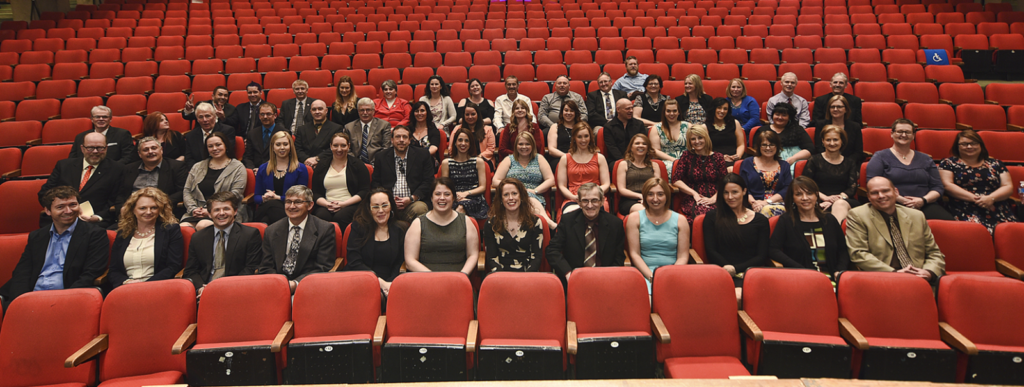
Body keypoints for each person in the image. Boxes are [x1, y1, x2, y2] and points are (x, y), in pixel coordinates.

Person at [0, 187, 108, 309]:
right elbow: (22, 272)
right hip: (32, 295)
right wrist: (20, 301)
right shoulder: (37, 236)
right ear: (48, 211)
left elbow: (91, 273)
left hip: (68, 297)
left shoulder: (94, 234)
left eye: (73, 205)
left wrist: (64, 299)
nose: (68, 211)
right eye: (60, 207)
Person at [845, 177, 946, 280]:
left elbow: (934, 253)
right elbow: (858, 254)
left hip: (921, 278)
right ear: (869, 197)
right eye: (874, 193)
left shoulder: (916, 216)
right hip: (883, 279)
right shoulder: (858, 215)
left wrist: (928, 272)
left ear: (896, 192)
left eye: (885, 191)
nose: (881, 196)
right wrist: (894, 273)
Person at [866, 119, 954, 220]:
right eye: (899, 131)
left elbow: (937, 187)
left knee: (947, 224)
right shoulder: (880, 157)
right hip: (892, 203)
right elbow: (872, 185)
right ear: (892, 134)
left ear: (913, 135)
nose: (903, 135)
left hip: (925, 203)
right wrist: (903, 200)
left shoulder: (925, 159)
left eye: (907, 132)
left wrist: (922, 200)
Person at [181, 192, 263, 297]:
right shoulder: (198, 238)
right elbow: (191, 270)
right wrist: (201, 288)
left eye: (226, 209)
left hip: (235, 290)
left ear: (235, 211)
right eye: (216, 210)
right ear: (209, 214)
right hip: (204, 290)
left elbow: (251, 268)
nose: (221, 213)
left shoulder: (250, 235)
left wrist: (222, 288)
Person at [257, 186, 336, 293]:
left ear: (310, 205)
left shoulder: (324, 229)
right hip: (276, 286)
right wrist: (279, 283)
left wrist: (296, 283)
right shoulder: (271, 230)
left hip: (309, 286)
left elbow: (323, 266)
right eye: (288, 202)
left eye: (298, 202)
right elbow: (266, 266)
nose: (292, 206)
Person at [768, 177, 850, 279]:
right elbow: (773, 250)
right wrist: (799, 269)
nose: (805, 198)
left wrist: (839, 271)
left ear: (816, 195)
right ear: (792, 198)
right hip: (800, 279)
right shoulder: (786, 220)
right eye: (798, 194)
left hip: (831, 278)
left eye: (809, 193)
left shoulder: (829, 220)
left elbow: (843, 250)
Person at [939, 129, 1018, 233]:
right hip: (964, 207)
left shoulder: (996, 163)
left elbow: (1007, 186)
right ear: (957, 146)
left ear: (980, 145)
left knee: (1012, 233)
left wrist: (991, 198)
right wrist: (978, 200)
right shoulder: (948, 163)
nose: (969, 147)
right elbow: (947, 185)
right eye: (964, 144)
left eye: (973, 143)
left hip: (996, 206)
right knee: (979, 233)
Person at [545, 182, 626, 282]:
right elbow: (552, 250)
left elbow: (619, 258)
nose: (590, 205)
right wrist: (567, 273)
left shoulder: (615, 224)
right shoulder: (568, 221)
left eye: (594, 200)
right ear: (578, 202)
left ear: (601, 201)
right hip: (574, 278)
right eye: (585, 201)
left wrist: (608, 277)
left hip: (605, 279)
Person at [40, 132, 124, 228]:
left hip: (93, 222)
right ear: (82, 148)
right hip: (60, 219)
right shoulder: (64, 166)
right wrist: (58, 210)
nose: (95, 151)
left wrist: (98, 217)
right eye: (90, 148)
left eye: (100, 148)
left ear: (106, 149)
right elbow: (45, 193)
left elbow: (116, 200)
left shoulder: (117, 169)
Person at [108, 188, 184, 288]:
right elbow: (114, 269)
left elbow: (173, 266)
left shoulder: (170, 230)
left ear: (160, 209)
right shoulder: (123, 233)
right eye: (142, 208)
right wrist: (125, 282)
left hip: (157, 287)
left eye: (153, 208)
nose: (148, 212)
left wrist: (144, 285)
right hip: (125, 288)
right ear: (133, 210)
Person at [703, 173, 771, 286]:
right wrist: (729, 269)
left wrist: (736, 269)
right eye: (726, 192)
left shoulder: (760, 220)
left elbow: (761, 256)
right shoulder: (712, 217)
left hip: (751, 273)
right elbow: (711, 251)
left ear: (744, 191)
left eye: (734, 192)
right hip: (721, 272)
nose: (730, 197)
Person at [626, 178, 690, 294]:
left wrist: (669, 276)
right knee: (647, 301)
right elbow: (635, 254)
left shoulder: (681, 220)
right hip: (645, 273)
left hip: (674, 273)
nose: (655, 199)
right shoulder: (634, 218)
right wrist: (652, 277)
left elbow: (683, 257)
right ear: (644, 196)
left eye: (660, 194)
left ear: (667, 196)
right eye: (650, 194)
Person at [404, 177, 479, 274]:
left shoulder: (466, 221)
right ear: (431, 198)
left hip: (458, 281)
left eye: (447, 194)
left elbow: (473, 255)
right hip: (426, 280)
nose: (442, 198)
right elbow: (410, 261)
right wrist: (435, 278)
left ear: (453, 197)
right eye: (437, 194)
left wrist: (463, 275)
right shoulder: (418, 223)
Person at [344, 188, 404, 299]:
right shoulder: (358, 227)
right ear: (369, 209)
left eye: (385, 205)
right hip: (360, 278)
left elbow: (399, 262)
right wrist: (379, 282)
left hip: (390, 282)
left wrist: (390, 284)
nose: (380, 210)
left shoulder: (400, 229)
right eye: (375, 207)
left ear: (391, 207)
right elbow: (354, 261)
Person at [181, 132, 247, 230]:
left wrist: (210, 211)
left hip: (223, 213)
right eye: (210, 146)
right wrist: (193, 209)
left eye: (218, 145)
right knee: (181, 228)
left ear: (226, 146)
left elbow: (235, 194)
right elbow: (187, 191)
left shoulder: (238, 167)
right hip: (196, 213)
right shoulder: (198, 166)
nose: (215, 149)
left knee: (202, 225)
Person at [493, 131, 557, 228]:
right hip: (512, 197)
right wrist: (514, 188)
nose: (524, 147)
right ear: (516, 146)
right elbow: (495, 181)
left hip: (534, 195)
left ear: (532, 145)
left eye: (527, 144)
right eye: (521, 144)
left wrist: (535, 191)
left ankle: (546, 223)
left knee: (528, 196)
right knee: (522, 195)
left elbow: (550, 180)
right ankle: (549, 223)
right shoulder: (509, 160)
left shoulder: (539, 158)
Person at [114, 136, 187, 219]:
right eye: (145, 150)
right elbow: (120, 194)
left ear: (161, 150)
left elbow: (182, 191)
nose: (150, 152)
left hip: (162, 213)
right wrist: (122, 208)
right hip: (132, 215)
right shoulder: (129, 169)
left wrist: (160, 204)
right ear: (139, 154)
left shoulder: (176, 167)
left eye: (154, 148)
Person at [372, 125, 433, 223]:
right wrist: (389, 200)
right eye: (397, 137)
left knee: (420, 209)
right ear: (392, 140)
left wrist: (411, 198)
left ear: (409, 140)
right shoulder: (381, 157)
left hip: (413, 203)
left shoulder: (422, 155)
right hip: (388, 204)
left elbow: (428, 181)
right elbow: (376, 183)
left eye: (404, 137)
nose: (401, 140)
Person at [484, 178, 545, 274]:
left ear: (521, 196)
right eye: (506, 195)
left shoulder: (535, 222)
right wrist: (503, 279)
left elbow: (536, 257)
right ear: (500, 199)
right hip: (501, 276)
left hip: (527, 275)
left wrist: (524, 278)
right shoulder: (491, 224)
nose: (511, 198)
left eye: (514, 193)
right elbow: (492, 259)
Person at [312, 132, 371, 232]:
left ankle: (344, 246)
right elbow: (315, 192)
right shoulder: (322, 165)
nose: (339, 149)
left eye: (343, 145)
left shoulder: (358, 165)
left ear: (348, 146)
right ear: (330, 146)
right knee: (321, 216)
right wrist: (327, 204)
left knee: (341, 217)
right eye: (335, 145)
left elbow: (364, 191)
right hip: (327, 204)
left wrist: (343, 204)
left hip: (350, 204)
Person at [802, 125, 860, 223]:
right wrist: (825, 198)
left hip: (844, 200)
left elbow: (852, 187)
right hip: (818, 199)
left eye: (835, 140)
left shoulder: (850, 162)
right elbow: (806, 184)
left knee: (840, 204)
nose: (832, 143)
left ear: (842, 141)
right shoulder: (814, 160)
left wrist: (837, 199)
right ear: (823, 141)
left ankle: (835, 236)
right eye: (828, 140)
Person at [672, 125, 728, 224]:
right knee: (703, 213)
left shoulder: (718, 157)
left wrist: (713, 199)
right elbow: (676, 180)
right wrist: (694, 194)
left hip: (716, 196)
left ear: (706, 138)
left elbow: (725, 182)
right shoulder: (686, 156)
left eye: (700, 137)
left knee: (718, 214)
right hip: (694, 198)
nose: (697, 141)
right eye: (693, 139)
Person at [253, 131, 309, 224]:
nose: (282, 147)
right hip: (268, 207)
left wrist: (277, 198)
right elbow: (256, 197)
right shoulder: (263, 168)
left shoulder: (300, 169)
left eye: (285, 144)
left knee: (266, 217)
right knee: (270, 207)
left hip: (291, 208)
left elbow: (300, 197)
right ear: (273, 147)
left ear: (290, 146)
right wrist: (264, 198)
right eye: (278, 144)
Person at [558, 123, 611, 214]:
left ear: (590, 137)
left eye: (586, 136)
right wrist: (574, 197)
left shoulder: (600, 158)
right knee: (571, 217)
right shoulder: (565, 159)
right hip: (574, 198)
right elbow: (561, 186)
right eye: (579, 137)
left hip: (595, 197)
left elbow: (606, 184)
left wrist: (592, 195)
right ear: (574, 138)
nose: (583, 140)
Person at [441, 127, 490, 221]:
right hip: (454, 197)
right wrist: (456, 196)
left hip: (474, 198)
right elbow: (444, 187)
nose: (463, 143)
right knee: (457, 206)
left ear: (470, 143)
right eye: (460, 140)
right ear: (455, 143)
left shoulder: (478, 161)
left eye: (466, 141)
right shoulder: (446, 163)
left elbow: (482, 187)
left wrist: (465, 194)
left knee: (460, 208)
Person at [740, 130, 793, 217]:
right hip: (752, 204)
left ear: (777, 146)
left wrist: (766, 202)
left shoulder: (784, 165)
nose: (768, 148)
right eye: (764, 145)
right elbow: (743, 187)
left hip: (778, 203)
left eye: (771, 145)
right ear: (759, 147)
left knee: (768, 210)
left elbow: (788, 188)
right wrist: (754, 203)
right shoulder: (747, 163)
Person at [755, 102, 814, 170]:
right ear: (772, 115)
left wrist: (794, 158)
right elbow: (757, 150)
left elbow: (810, 149)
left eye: (784, 115)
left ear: (789, 117)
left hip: (796, 161)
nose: (780, 117)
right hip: (769, 160)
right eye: (777, 114)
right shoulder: (762, 130)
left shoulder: (798, 129)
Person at [69, 105, 136, 163]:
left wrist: (114, 168)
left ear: (110, 119)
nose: (101, 119)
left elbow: (128, 157)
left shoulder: (122, 134)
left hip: (112, 171)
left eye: (105, 117)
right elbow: (73, 159)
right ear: (92, 119)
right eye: (97, 117)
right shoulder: (81, 136)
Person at [813, 95, 864, 166]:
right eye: (832, 107)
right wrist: (828, 161)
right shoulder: (821, 125)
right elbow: (819, 148)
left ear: (846, 109)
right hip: (824, 163)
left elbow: (858, 152)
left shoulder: (855, 127)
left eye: (839, 107)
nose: (835, 109)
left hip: (848, 164)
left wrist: (845, 163)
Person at [295, 99, 345, 169]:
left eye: (320, 109)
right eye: (314, 109)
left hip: (327, 164)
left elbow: (335, 148)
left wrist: (317, 159)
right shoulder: (302, 129)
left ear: (326, 111)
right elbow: (297, 149)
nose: (317, 112)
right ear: (311, 112)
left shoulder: (336, 128)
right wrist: (307, 160)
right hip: (305, 166)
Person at [183, 102, 237, 166]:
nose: (205, 120)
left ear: (214, 117)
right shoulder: (191, 136)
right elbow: (189, 159)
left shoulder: (227, 131)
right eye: (201, 117)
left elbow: (228, 153)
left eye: (207, 116)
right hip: (199, 171)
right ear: (197, 119)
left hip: (222, 167)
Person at [616, 134, 658, 215]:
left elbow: (659, 186)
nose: (641, 146)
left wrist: (648, 198)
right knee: (644, 211)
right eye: (637, 143)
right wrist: (640, 196)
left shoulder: (655, 166)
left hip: (652, 198)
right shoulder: (623, 164)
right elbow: (621, 190)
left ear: (648, 148)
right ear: (631, 148)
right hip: (629, 200)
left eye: (644, 144)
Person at [346, 97, 393, 165]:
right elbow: (347, 149)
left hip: (378, 163)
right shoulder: (349, 127)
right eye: (362, 110)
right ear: (358, 111)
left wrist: (376, 162)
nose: (365, 113)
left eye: (368, 110)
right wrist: (357, 163)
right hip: (354, 164)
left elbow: (386, 148)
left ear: (373, 111)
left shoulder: (384, 125)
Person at [242, 102, 288, 170]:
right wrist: (252, 169)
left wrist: (264, 170)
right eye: (262, 114)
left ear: (275, 116)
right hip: (255, 170)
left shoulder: (283, 133)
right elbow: (247, 157)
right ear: (259, 116)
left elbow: (285, 157)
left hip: (276, 170)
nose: (265, 117)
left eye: (268, 114)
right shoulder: (252, 134)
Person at [450, 102, 496, 168]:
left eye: (473, 114)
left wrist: (479, 157)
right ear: (463, 116)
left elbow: (491, 149)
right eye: (467, 114)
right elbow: (451, 148)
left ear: (478, 115)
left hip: (482, 160)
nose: (470, 117)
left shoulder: (488, 129)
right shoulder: (457, 129)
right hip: (461, 160)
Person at [603, 98, 647, 164]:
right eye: (627, 109)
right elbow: (612, 148)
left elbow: (643, 144)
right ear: (618, 110)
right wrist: (624, 162)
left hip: (638, 159)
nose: (631, 111)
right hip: (617, 160)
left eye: (632, 108)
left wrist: (635, 161)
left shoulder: (639, 124)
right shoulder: (609, 127)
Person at [706, 97, 747, 164]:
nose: (722, 111)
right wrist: (721, 157)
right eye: (719, 108)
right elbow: (706, 149)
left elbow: (741, 145)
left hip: (735, 157)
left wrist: (737, 156)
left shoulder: (735, 123)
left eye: (725, 109)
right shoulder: (705, 127)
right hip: (715, 160)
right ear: (713, 109)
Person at [409, 101, 442, 166]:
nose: (419, 113)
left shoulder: (433, 130)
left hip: (428, 161)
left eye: (422, 110)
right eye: (416, 111)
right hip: (410, 161)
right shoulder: (408, 130)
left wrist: (418, 157)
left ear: (427, 113)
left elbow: (434, 148)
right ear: (413, 113)